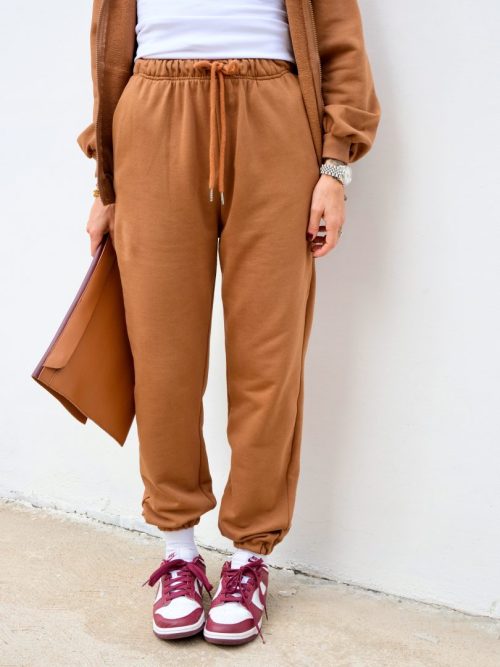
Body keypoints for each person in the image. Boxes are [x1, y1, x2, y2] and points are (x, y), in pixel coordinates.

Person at [79, 0, 381, 646]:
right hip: (153, 112)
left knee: (269, 359)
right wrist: (105, 184)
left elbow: (339, 38)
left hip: (275, 117)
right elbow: (109, 44)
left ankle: (248, 559)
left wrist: (335, 168)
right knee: (161, 357)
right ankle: (179, 552)